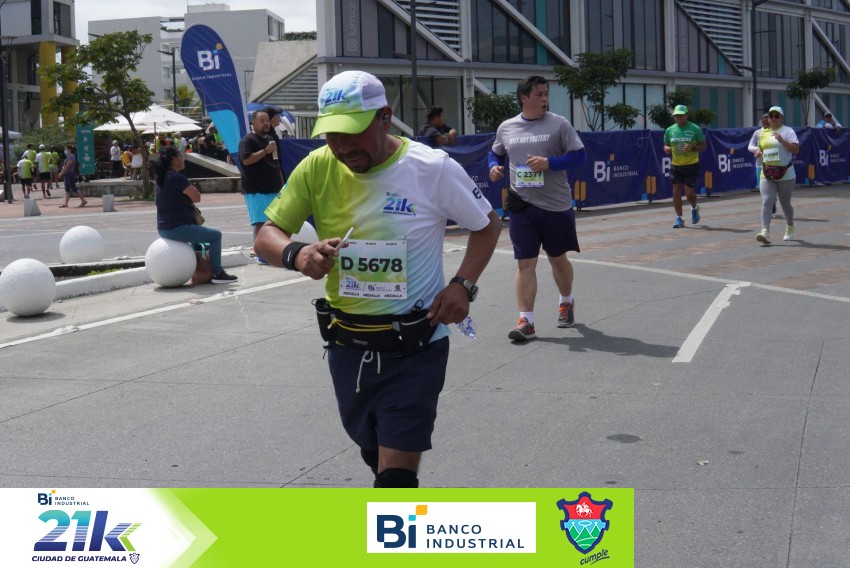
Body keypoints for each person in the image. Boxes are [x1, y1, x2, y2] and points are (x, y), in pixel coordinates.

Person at [254, 70, 501, 488]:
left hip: (415, 346)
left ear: (385, 117)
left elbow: (487, 224)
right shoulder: (318, 165)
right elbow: (266, 236)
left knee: (395, 478)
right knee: (374, 454)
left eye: (354, 133)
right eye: (333, 134)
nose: (344, 146)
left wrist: (463, 284)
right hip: (347, 345)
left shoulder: (431, 168)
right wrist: (298, 254)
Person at [488, 75, 587, 341]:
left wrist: (550, 163)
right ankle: (526, 321)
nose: (544, 99)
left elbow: (580, 156)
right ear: (524, 98)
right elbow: (495, 152)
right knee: (524, 263)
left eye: (546, 94)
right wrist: (493, 167)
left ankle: (566, 301)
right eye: (539, 94)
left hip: (555, 206)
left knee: (557, 259)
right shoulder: (507, 127)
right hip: (521, 206)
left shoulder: (559, 124)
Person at [153, 146, 238, 284]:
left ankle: (200, 274)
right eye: (181, 156)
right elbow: (196, 198)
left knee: (201, 240)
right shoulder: (178, 178)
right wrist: (194, 191)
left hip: (164, 228)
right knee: (216, 236)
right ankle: (218, 273)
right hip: (177, 228)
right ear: (174, 160)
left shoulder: (161, 178)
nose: (183, 159)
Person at [748, 106, 799, 244]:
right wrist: (758, 152)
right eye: (771, 116)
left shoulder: (788, 131)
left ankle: (790, 226)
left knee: (785, 203)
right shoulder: (763, 133)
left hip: (786, 173)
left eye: (777, 116)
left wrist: (782, 140)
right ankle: (765, 231)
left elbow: (795, 149)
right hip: (767, 172)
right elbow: (760, 148)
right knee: (767, 201)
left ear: (782, 118)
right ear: (768, 119)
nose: (774, 118)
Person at [238, 110, 283, 264]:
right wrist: (265, 151)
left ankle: (268, 251)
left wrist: (281, 183)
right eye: (262, 121)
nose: (266, 123)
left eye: (267, 121)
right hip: (256, 189)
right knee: (260, 222)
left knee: (273, 221)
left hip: (273, 188)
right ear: (253, 123)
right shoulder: (248, 140)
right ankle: (259, 252)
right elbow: (246, 160)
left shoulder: (270, 139)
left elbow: (276, 162)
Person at [663, 105, 706, 228]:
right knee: (676, 191)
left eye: (681, 115)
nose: (678, 117)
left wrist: (693, 148)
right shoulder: (670, 130)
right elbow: (665, 145)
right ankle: (679, 218)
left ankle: (694, 207)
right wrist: (666, 148)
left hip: (691, 164)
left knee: (688, 192)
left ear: (687, 115)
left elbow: (703, 145)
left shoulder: (695, 128)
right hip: (676, 165)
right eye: (676, 115)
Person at [262, 106, 288, 181]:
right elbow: (275, 158)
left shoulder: (263, 134)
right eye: (277, 115)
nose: (279, 118)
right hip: (273, 173)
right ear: (273, 119)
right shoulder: (272, 136)